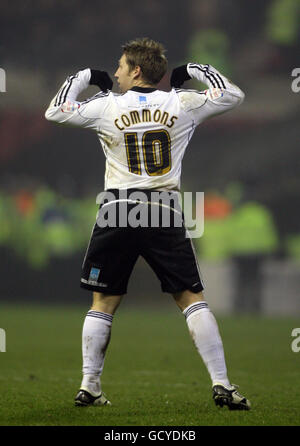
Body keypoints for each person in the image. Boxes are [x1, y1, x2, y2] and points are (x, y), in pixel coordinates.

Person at [45, 37, 250, 410]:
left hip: (118, 207)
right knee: (190, 298)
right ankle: (222, 383)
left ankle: (89, 386)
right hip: (163, 207)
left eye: (121, 66)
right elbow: (232, 95)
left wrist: (86, 75)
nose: (116, 72)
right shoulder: (182, 103)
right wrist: (194, 70)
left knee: (103, 301)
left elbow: (55, 111)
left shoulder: (106, 106)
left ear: (136, 70)